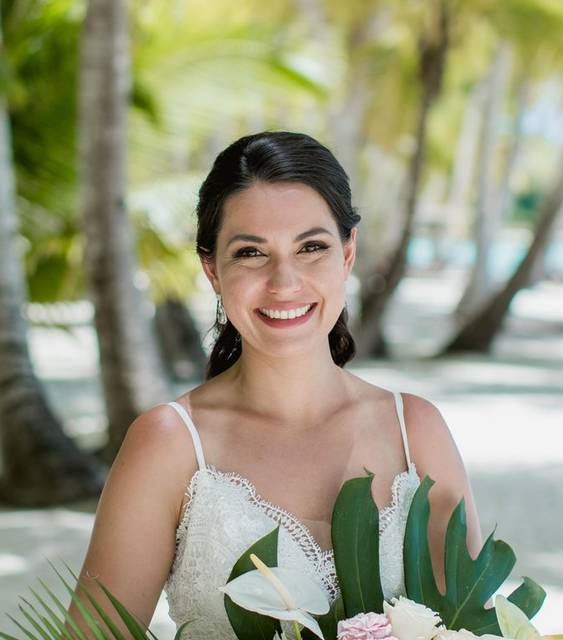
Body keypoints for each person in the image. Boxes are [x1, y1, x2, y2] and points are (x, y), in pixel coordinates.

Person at [69, 131, 482, 638]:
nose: (285, 282)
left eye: (311, 247)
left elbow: (472, 623)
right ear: (212, 270)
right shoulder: (169, 444)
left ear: (347, 255)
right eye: (250, 253)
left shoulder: (415, 430)